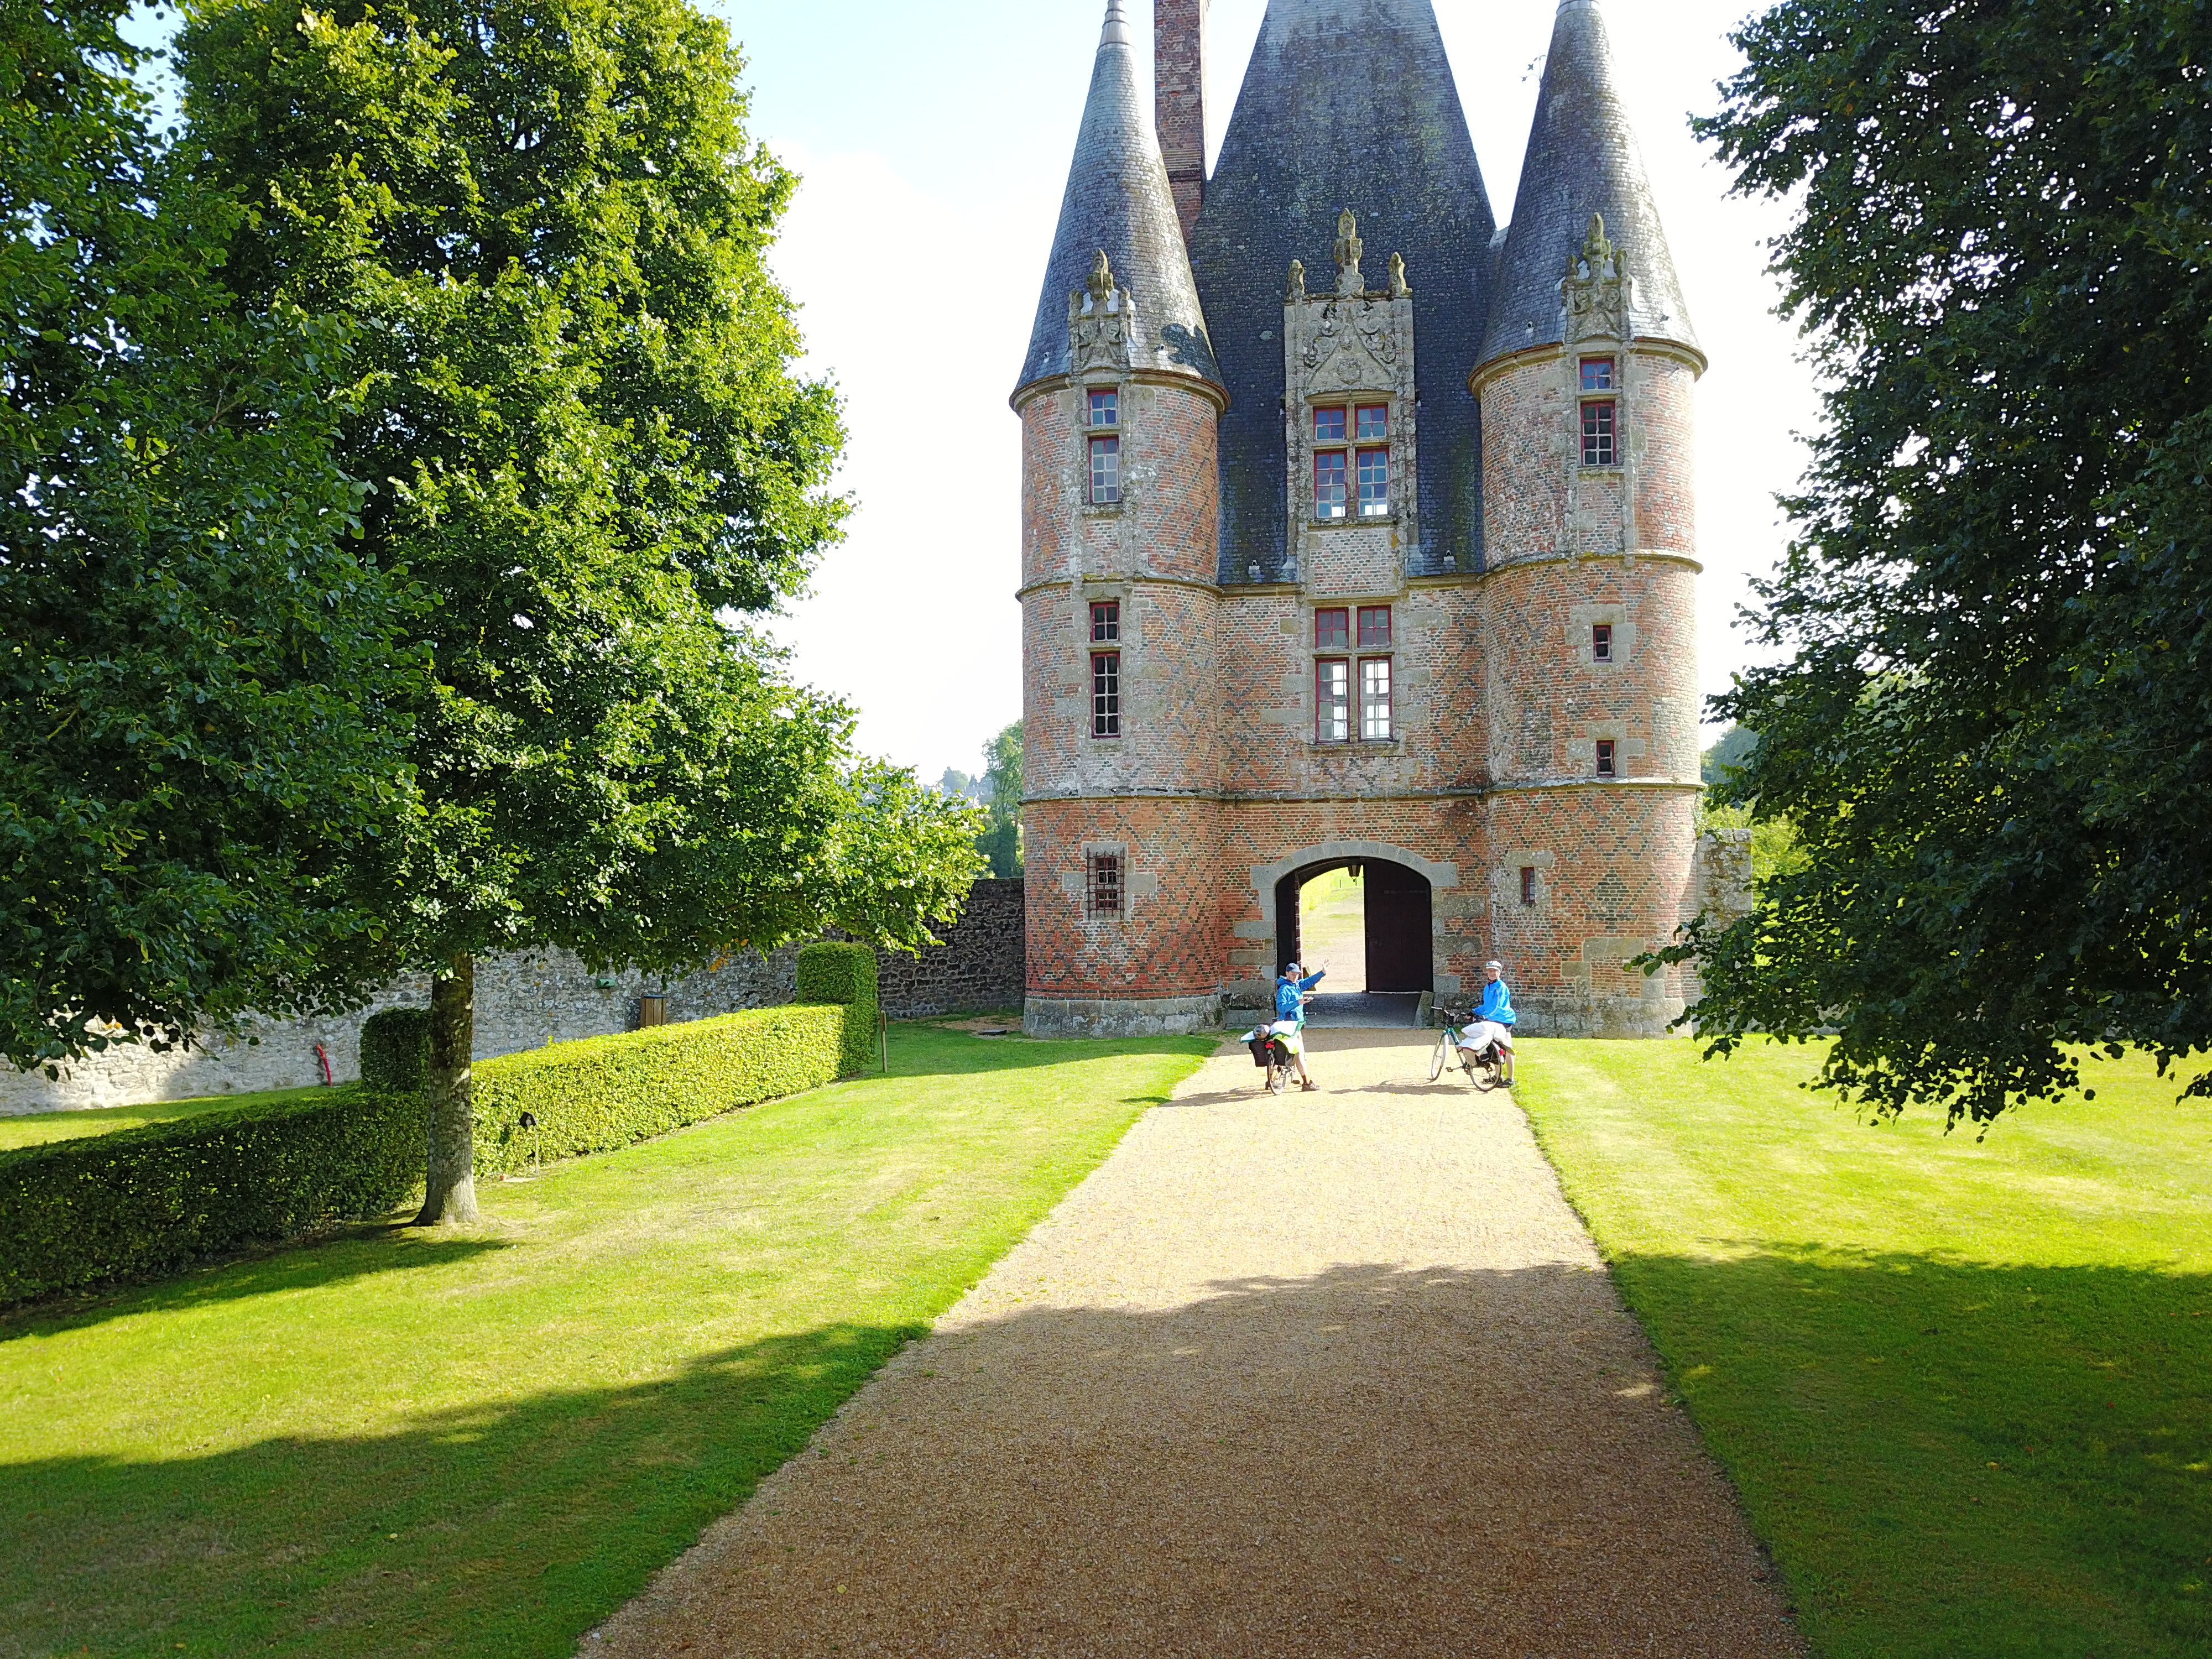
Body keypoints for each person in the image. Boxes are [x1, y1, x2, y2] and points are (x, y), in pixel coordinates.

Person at [1270, 961, 1325, 1092]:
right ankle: (1307, 1082)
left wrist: (1322, 973)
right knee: (1299, 1053)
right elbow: (1281, 1007)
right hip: (1289, 1026)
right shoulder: (1284, 989)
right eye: (1293, 974)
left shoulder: (1297, 985)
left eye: (1297, 974)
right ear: (1287, 974)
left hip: (1297, 1025)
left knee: (1288, 1053)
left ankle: (1273, 1078)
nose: (1295, 976)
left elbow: (1309, 981)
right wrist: (1298, 1002)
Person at [1462, 959, 1516, 1086]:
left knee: (1508, 1049)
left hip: (1504, 1021)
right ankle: (1497, 1077)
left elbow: (1498, 1007)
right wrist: (1474, 1012)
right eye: (1490, 971)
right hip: (1493, 1021)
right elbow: (1487, 1006)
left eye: (1495, 971)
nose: (1492, 973)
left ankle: (1510, 1079)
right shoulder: (1489, 987)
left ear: (1499, 972)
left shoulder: (1501, 988)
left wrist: (1485, 1016)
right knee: (1494, 1049)